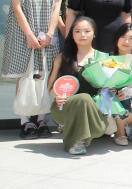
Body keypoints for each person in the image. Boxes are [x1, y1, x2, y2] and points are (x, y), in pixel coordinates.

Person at [4, 0, 65, 139]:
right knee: (25, 75)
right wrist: (29, 35)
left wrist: (49, 33)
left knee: (47, 74)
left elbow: (57, 9)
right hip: (23, 34)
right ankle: (25, 122)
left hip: (47, 35)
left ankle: (41, 120)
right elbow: (17, 8)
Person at [46, 17, 107, 154]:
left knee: (85, 99)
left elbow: (108, 85)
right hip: (65, 106)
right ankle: (75, 142)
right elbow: (50, 87)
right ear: (72, 35)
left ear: (94, 34)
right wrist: (57, 96)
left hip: (93, 108)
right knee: (83, 98)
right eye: (77, 31)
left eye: (87, 31)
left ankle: (80, 133)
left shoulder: (103, 58)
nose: (82, 35)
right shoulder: (63, 57)